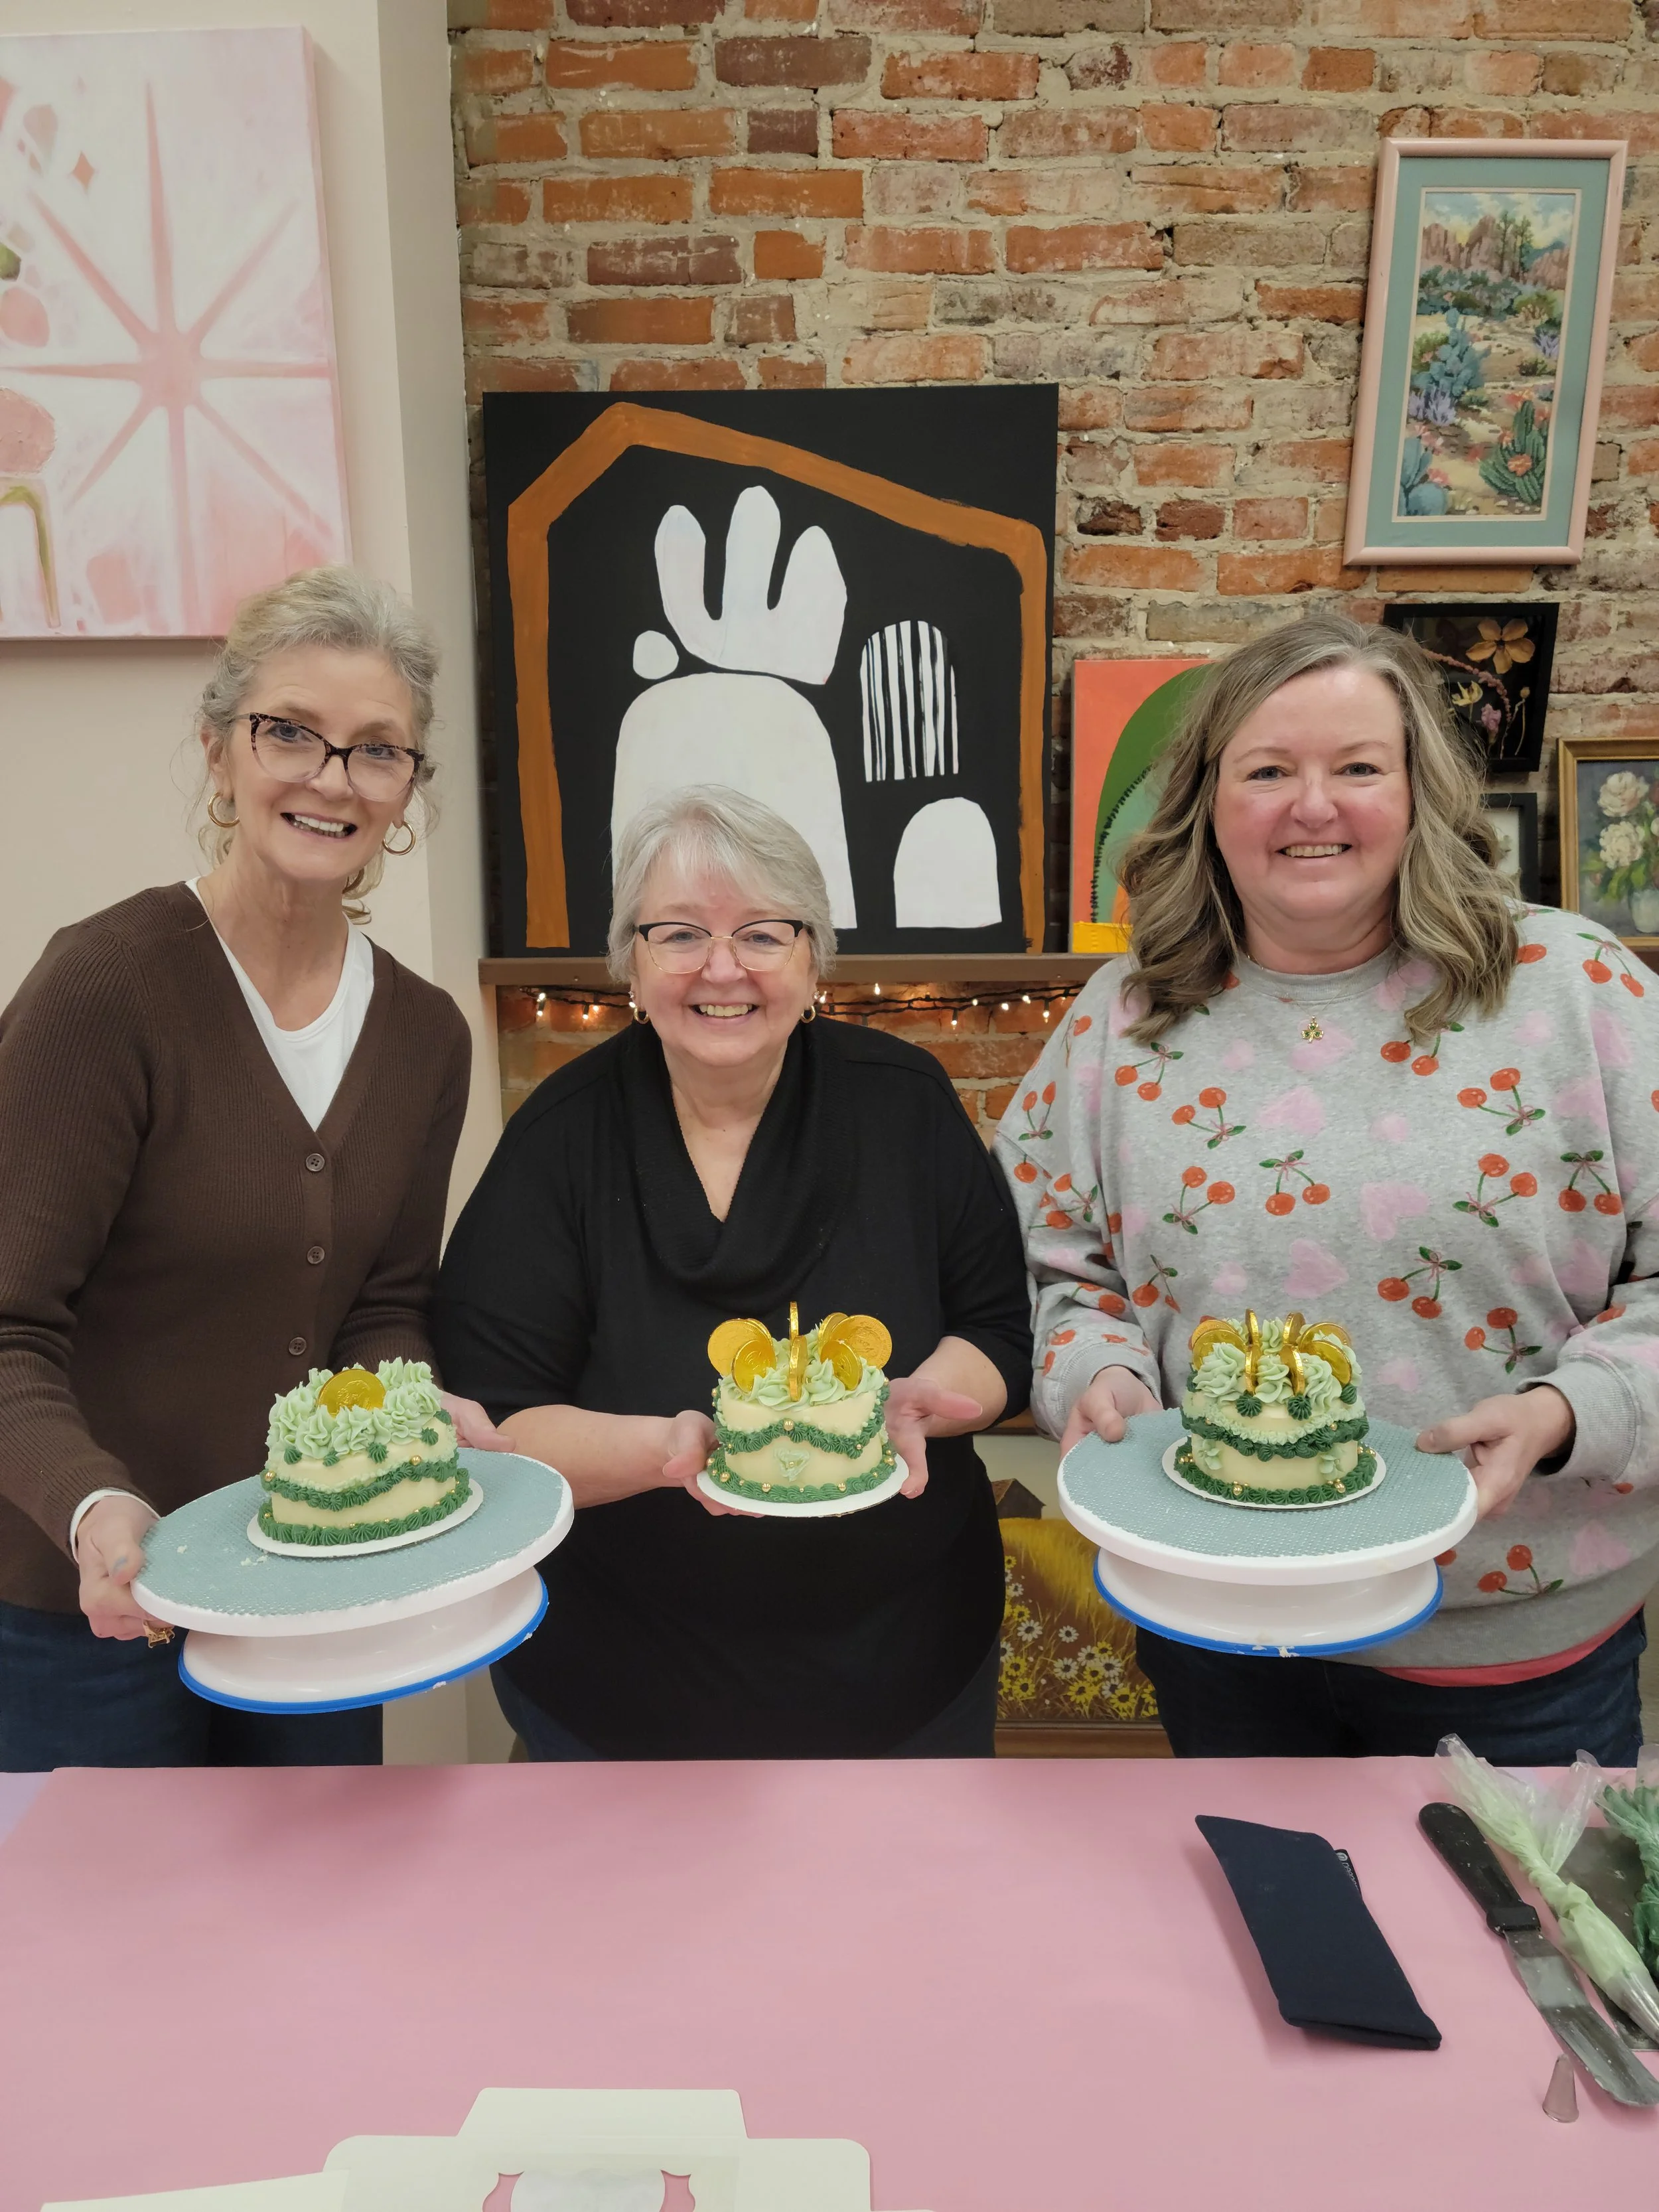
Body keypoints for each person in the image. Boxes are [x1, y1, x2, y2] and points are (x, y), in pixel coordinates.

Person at [997, 610, 1659, 1765]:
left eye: (1358, 767)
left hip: (1513, 1649)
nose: (1315, 807)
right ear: (1206, 801)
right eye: (1268, 771)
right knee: (1273, 1922)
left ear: (1420, 792)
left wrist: (1569, 1414)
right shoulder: (1122, 1020)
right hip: (1218, 1619)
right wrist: (1091, 1371)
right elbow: (1051, 1263)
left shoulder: (1578, 991)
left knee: (1515, 1944)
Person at [0, 566, 501, 1771]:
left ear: (407, 793)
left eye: (376, 751)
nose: (331, 779)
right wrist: (92, 1505)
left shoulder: (428, 1035)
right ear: (221, 750)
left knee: (322, 1931)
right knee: (118, 1952)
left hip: (305, 1597)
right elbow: (8, 1322)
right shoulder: (105, 988)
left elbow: (379, 1303)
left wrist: (418, 1412)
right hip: (85, 1616)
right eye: (291, 733)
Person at [433, 786, 1032, 1759]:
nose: (722, 968)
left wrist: (932, 1395)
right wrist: (671, 1451)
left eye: (762, 933)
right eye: (679, 934)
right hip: (620, 1684)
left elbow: (1001, 1327)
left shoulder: (904, 1106)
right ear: (630, 961)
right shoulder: (560, 1141)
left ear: (813, 959)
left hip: (906, 1667)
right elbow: (496, 1422)